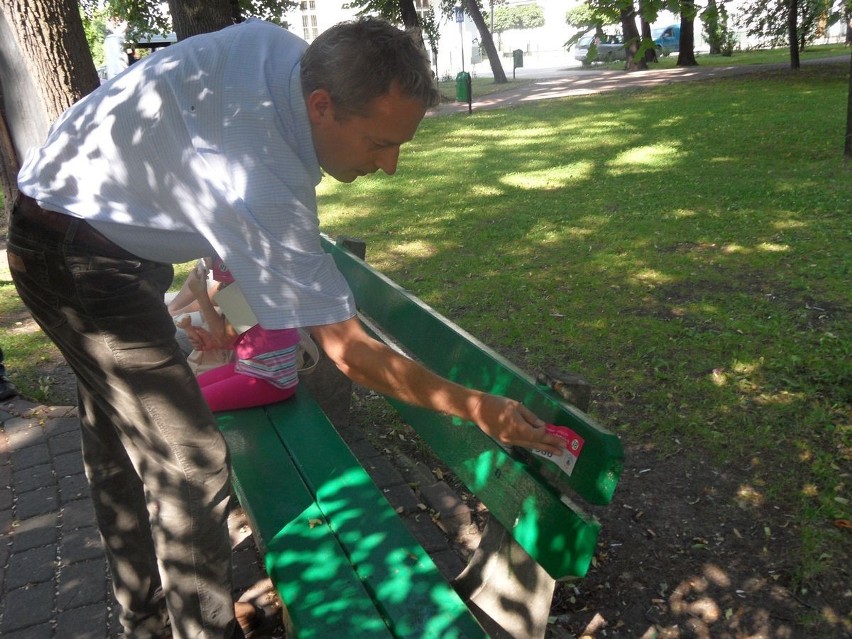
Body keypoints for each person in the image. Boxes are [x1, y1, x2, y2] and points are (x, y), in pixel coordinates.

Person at [8, 17, 564, 639]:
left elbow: (206, 180)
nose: (392, 167)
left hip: (92, 226)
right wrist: (477, 406)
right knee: (191, 463)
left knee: (120, 433)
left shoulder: (289, 61)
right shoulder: (262, 168)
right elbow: (349, 354)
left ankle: (144, 618)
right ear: (321, 107)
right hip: (74, 254)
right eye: (381, 143)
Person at [185, 256, 302, 412]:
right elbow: (231, 336)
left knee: (190, 407)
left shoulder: (251, 290)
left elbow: (224, 339)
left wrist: (201, 296)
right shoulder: (251, 280)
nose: (206, 261)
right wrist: (211, 340)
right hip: (252, 369)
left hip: (271, 381)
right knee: (188, 390)